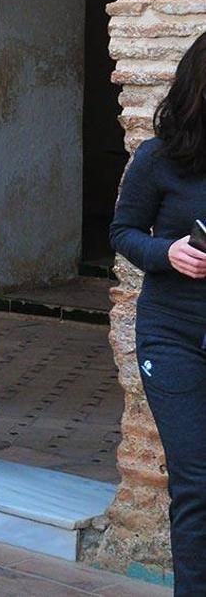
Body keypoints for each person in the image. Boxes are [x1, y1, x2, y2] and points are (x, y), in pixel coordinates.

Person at [110, 31, 206, 596]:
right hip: (174, 335)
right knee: (196, 479)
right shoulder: (162, 157)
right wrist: (166, 253)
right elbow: (122, 232)